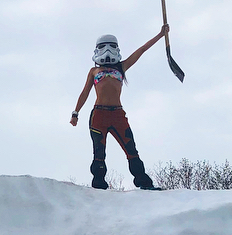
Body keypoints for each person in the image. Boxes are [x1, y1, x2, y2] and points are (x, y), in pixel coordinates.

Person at [70, 26, 168, 189]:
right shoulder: (94, 71)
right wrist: (75, 113)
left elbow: (142, 50)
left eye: (111, 46)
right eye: (103, 47)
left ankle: (144, 183)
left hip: (117, 115)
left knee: (131, 149)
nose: (107, 50)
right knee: (99, 153)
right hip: (98, 115)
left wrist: (161, 34)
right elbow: (84, 93)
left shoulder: (122, 67)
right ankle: (99, 186)